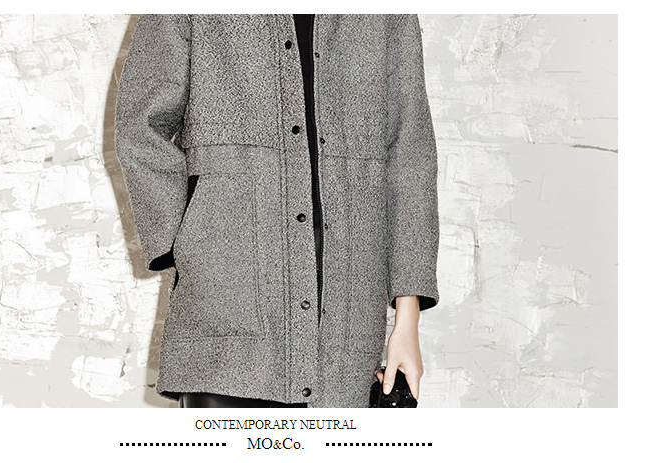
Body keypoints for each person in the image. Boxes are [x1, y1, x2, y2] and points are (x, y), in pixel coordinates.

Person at [114, 14, 440, 408]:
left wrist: (407, 318)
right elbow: (140, 125)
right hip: (228, 304)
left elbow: (409, 154)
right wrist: (190, 240)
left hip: (348, 309)